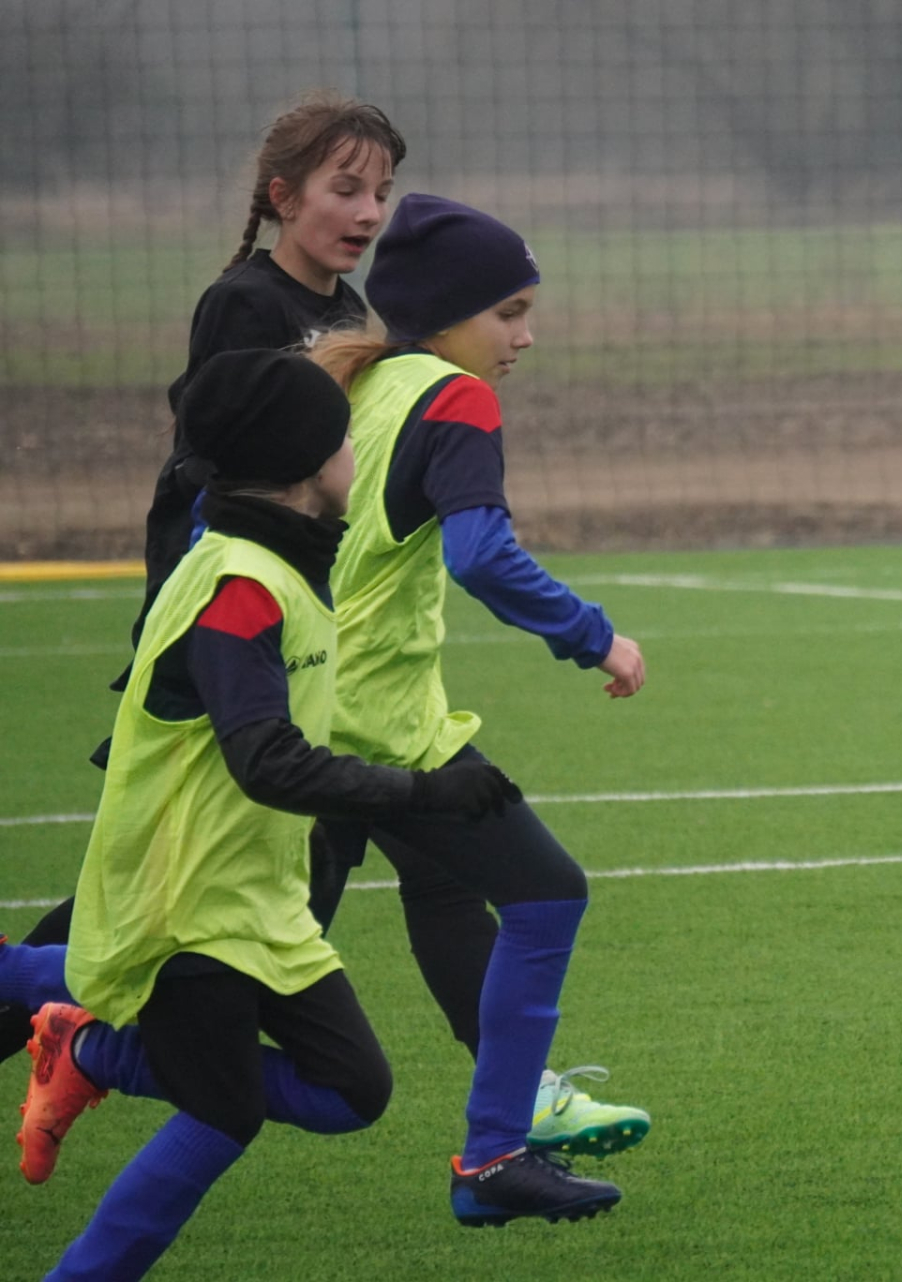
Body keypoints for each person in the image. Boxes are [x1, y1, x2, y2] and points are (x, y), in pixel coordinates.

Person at [18, 349, 544, 1281]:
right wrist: (424, 793)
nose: (357, 454)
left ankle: (87, 1042)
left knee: (353, 1092)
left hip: (254, 895)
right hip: (185, 897)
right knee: (223, 1111)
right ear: (309, 464)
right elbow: (264, 760)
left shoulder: (285, 559)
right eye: (346, 439)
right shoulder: (241, 586)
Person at [0, 89, 406, 1056]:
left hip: (292, 613)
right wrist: (209, 611)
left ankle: (140, 1048)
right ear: (282, 197)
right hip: (224, 612)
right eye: (345, 189)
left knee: (280, 854)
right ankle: (88, 1031)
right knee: (156, 885)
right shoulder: (245, 304)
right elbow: (213, 469)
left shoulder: (348, 311)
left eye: (382, 193)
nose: (368, 213)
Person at [307, 192, 649, 1225]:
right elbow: (482, 556)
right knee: (547, 895)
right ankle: (497, 1153)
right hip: (375, 730)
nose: (524, 337)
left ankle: (506, 1137)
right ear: (449, 316)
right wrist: (594, 634)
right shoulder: (453, 398)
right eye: (510, 313)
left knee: (258, 947)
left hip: (302, 710)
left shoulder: (359, 384)